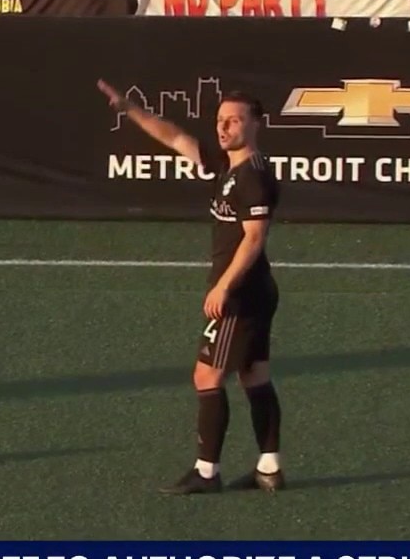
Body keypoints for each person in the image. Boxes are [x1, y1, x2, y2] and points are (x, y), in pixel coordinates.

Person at [96, 79, 285, 495]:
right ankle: (269, 468)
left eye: (234, 121)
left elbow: (255, 238)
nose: (224, 127)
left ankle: (206, 472)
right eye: (220, 120)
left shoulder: (254, 178)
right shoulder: (225, 163)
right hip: (255, 290)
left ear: (255, 124)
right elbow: (175, 137)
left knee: (206, 376)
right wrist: (130, 110)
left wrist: (223, 287)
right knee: (254, 375)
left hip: (241, 294)